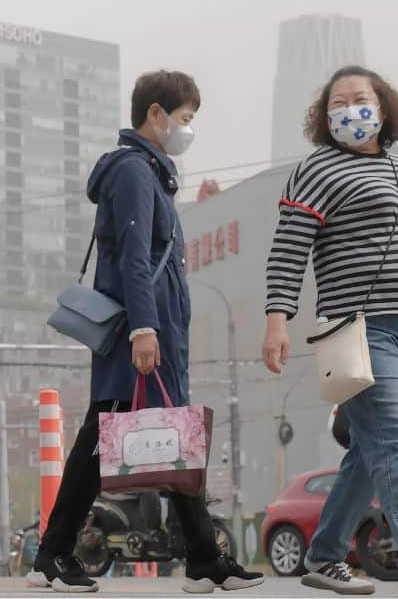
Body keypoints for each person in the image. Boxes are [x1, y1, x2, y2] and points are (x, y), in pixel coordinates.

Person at [29, 70, 263, 594]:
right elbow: (136, 259)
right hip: (138, 335)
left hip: (155, 332)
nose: (188, 129)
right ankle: (53, 553)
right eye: (184, 119)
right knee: (101, 438)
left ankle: (204, 558)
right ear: (154, 114)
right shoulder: (134, 171)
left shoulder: (153, 173)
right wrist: (144, 329)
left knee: (178, 439)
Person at [262, 65, 398, 598]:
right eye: (337, 102)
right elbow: (288, 249)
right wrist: (277, 321)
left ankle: (324, 555)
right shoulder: (317, 170)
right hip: (357, 328)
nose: (348, 109)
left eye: (360, 98)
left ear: (383, 107)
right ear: (323, 116)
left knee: (369, 448)